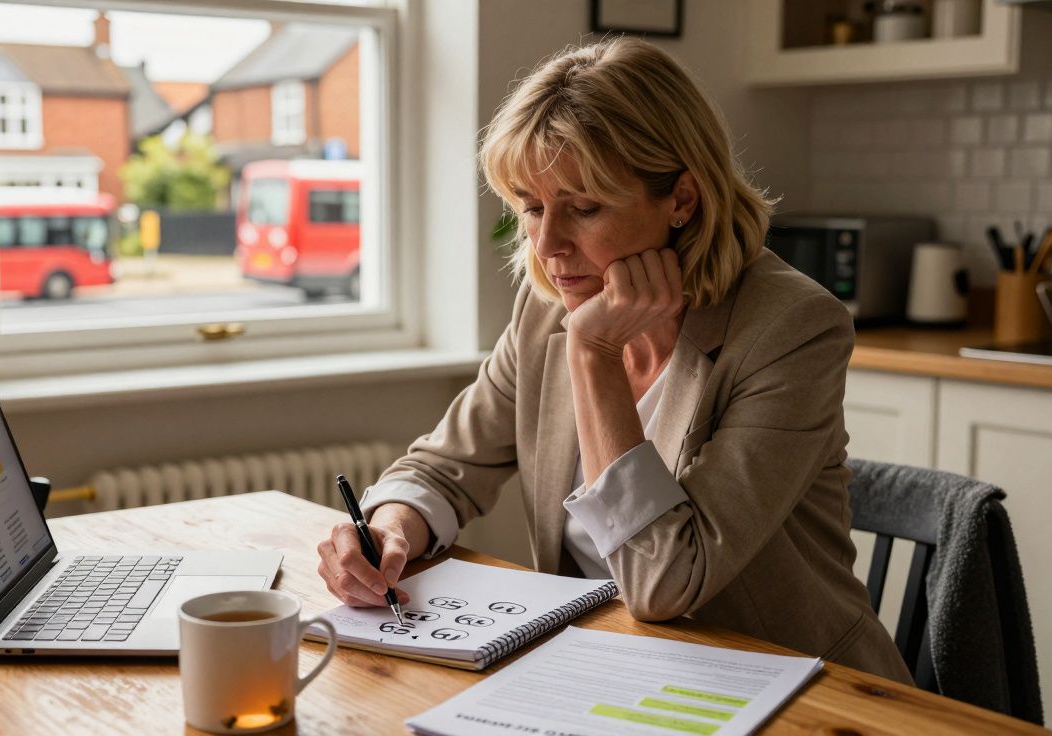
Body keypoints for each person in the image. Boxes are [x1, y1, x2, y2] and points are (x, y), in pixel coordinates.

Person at [316, 37, 912, 683]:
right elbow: (448, 465)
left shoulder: (790, 328)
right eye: (533, 208)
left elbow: (665, 581)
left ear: (681, 199)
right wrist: (389, 526)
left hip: (785, 680)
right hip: (611, 666)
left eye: (585, 208)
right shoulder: (547, 307)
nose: (547, 244)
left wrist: (596, 357)